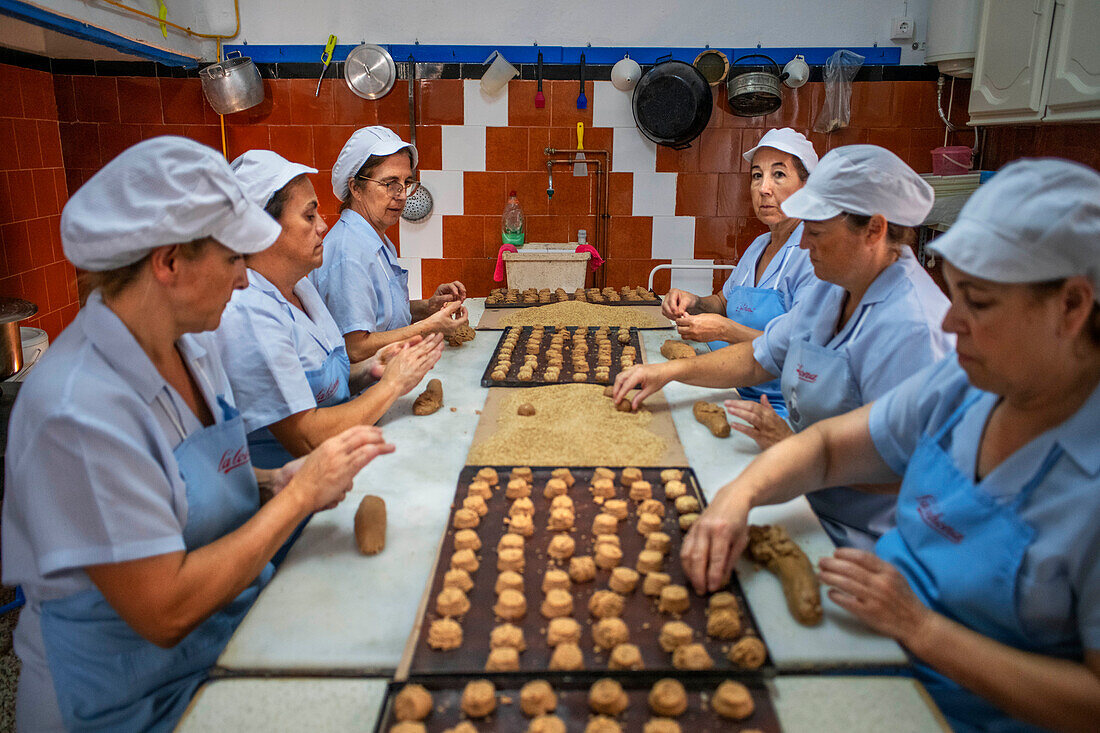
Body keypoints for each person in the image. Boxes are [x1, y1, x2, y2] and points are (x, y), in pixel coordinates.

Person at [681, 158, 1100, 732]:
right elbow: (829, 448)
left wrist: (922, 629)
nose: (949, 324)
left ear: (1071, 307)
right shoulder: (966, 386)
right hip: (875, 639)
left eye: (976, 302)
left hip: (958, 709)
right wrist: (738, 497)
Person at [0, 137, 392, 731]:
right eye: (234, 260)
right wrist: (299, 495)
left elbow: (188, 484)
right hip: (126, 703)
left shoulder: (191, 346)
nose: (243, 282)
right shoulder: (77, 411)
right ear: (169, 261)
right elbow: (164, 607)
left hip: (216, 652)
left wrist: (270, 479)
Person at [615, 145, 954, 549]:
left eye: (817, 232)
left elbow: (917, 470)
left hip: (867, 539)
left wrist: (795, 452)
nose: (804, 244)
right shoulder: (833, 289)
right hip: (801, 490)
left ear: (874, 231)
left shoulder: (912, 327)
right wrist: (668, 372)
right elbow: (761, 356)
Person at [214, 150, 444, 470]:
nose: (323, 226)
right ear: (260, 230)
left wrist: (373, 368)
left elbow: (322, 384)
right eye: (309, 216)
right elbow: (306, 437)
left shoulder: (298, 287)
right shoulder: (248, 313)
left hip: (340, 458)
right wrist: (393, 385)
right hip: (293, 487)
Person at [662, 128, 820, 417]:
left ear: (807, 187)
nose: (764, 188)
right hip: (729, 387)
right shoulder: (760, 245)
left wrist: (725, 330)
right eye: (757, 175)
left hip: (779, 408)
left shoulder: (813, 255)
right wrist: (693, 301)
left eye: (779, 175)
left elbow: (802, 352)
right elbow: (723, 302)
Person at [311, 126, 469, 361]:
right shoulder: (348, 252)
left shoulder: (375, 239)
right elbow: (355, 347)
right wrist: (428, 327)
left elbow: (381, 318)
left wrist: (428, 308)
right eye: (389, 183)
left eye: (406, 182)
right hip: (367, 389)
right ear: (356, 188)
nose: (402, 194)